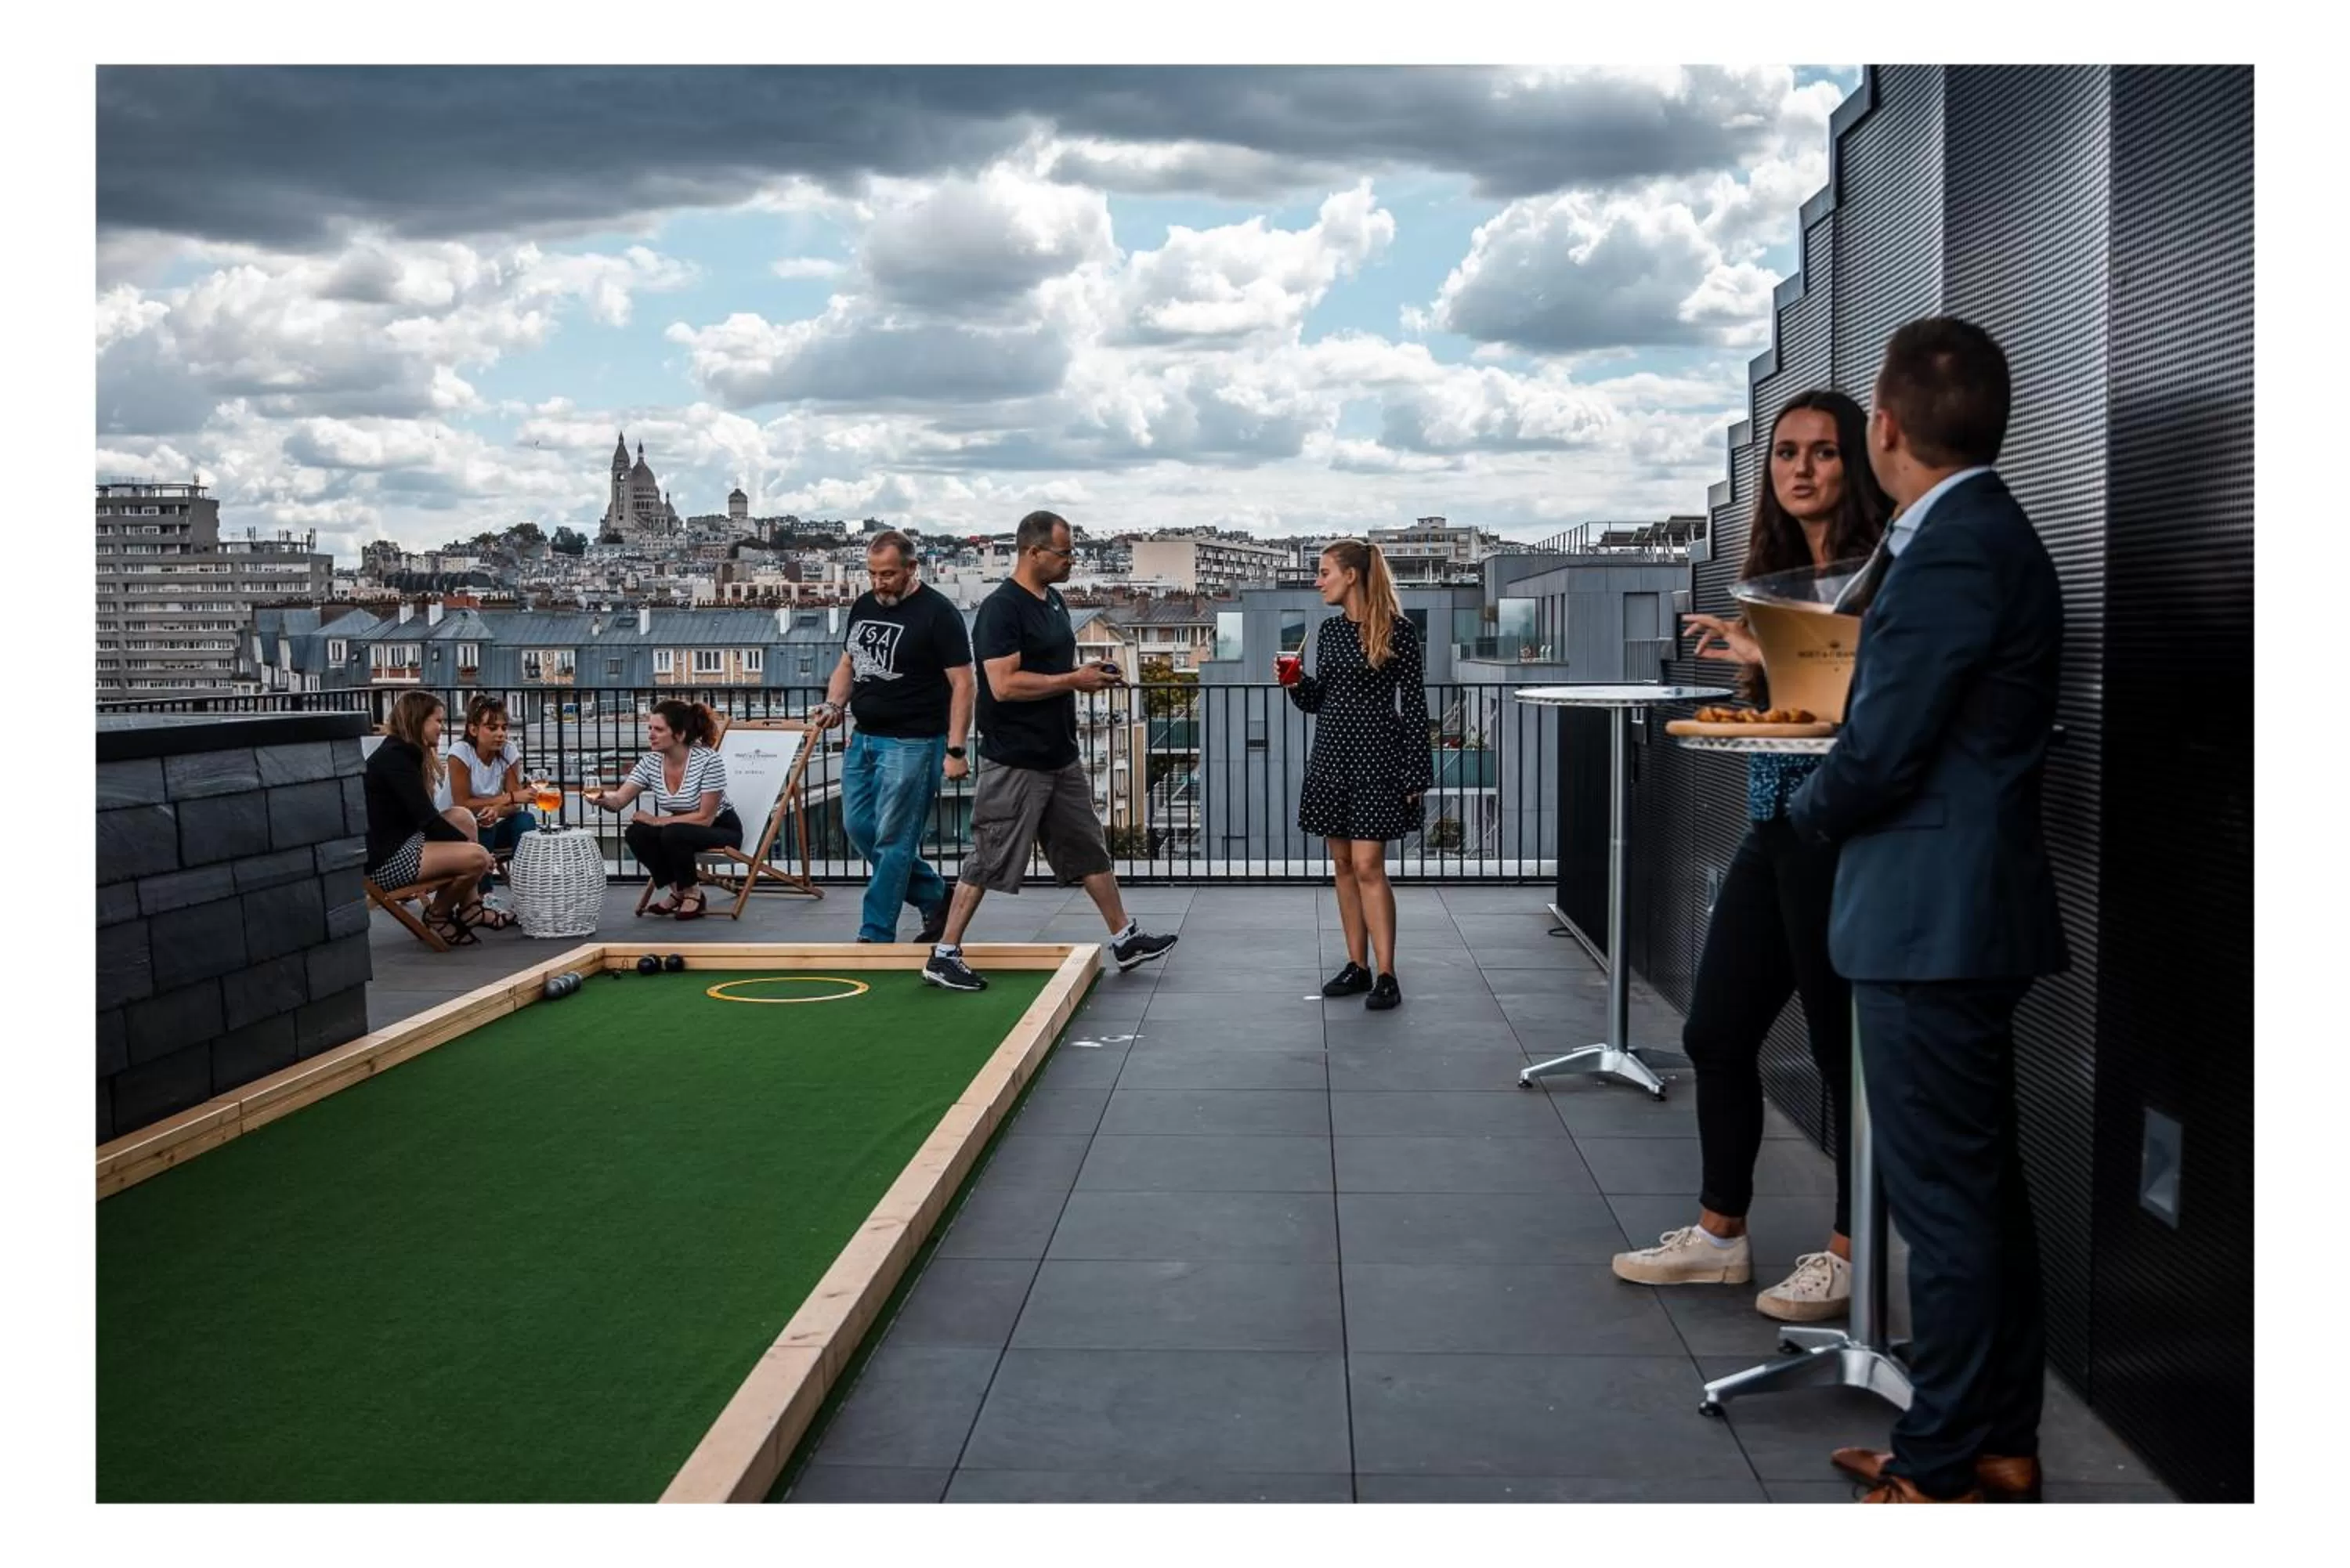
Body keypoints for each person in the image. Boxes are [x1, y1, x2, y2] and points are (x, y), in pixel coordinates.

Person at [1785, 317, 2069, 1505]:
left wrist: (1807, 804)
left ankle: (1943, 1463)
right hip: (1958, 912)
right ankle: (1995, 1435)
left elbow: (1885, 746)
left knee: (1946, 1207)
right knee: (1982, 1195)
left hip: (1929, 919)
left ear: (1886, 428)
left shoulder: (1954, 547)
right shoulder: (1986, 533)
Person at [1610, 390, 1890, 1321]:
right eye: (1784, 454)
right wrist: (1754, 658)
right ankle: (1720, 1237)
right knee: (1715, 1031)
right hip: (1774, 828)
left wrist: (1784, 667)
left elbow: (1867, 711)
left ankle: (1850, 1251)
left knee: (1839, 1052)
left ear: (1858, 460)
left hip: (1842, 839)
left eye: (1822, 452)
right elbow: (1796, 705)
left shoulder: (1883, 574)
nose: (1801, 468)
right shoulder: (1777, 575)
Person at [924, 510, 1177, 992]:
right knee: (989, 855)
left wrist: (1090, 673)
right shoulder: (1003, 609)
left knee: (1087, 847)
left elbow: (1053, 667)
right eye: (1064, 553)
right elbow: (1002, 685)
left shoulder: (1054, 602)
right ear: (1033, 552)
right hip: (1015, 756)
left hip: (1058, 751)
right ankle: (944, 952)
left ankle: (1124, 938)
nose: (1071, 561)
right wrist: (1073, 680)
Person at [1278, 537, 1431, 1011]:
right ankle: (1357, 965)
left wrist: (1416, 774)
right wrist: (1294, 683)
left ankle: (1387, 974)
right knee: (1342, 867)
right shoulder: (1328, 632)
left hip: (1378, 759)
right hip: (1331, 759)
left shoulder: (1400, 632)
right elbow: (1319, 700)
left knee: (1368, 867)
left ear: (1351, 575)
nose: (1318, 581)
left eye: (1324, 572)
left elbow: (1416, 703)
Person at [809, 530, 974, 945]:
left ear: (911, 569)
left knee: (894, 839)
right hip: (864, 738)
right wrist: (834, 705)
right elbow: (849, 664)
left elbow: (964, 684)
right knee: (859, 827)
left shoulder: (939, 613)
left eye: (887, 574)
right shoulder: (864, 606)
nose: (879, 582)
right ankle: (937, 896)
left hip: (914, 742)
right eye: (872, 574)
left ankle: (875, 932)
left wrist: (956, 749)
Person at [584, 699, 742, 920]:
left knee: (672, 832)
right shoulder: (650, 763)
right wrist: (601, 798)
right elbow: (619, 800)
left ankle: (693, 893)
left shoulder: (708, 761)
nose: (650, 735)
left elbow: (705, 818)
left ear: (680, 734)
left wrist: (656, 821)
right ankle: (679, 892)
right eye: (649, 728)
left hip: (720, 829)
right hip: (680, 830)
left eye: (658, 729)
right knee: (636, 832)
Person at [363, 690, 495, 945]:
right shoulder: (396, 760)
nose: (442, 728)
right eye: (438, 721)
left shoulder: (404, 753)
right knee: (477, 859)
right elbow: (428, 821)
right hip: (387, 859)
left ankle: (470, 907)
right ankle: (437, 914)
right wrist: (477, 850)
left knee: (463, 817)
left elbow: (427, 819)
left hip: (402, 841)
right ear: (418, 721)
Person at [446, 694, 537, 890]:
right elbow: (462, 804)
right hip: (454, 830)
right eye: (492, 727)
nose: (501, 734)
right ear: (473, 729)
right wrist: (506, 798)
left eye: (504, 728)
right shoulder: (460, 752)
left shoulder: (508, 751)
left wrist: (496, 809)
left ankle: (527, 889)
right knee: (483, 824)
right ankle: (482, 898)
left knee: (525, 820)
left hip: (487, 825)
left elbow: (515, 806)